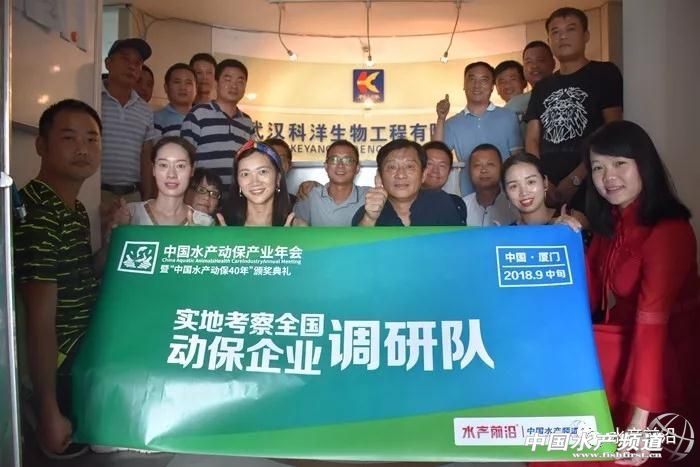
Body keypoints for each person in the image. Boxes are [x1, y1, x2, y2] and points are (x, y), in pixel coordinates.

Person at [14, 99, 104, 458]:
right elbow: (38, 320)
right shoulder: (37, 214)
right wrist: (48, 409)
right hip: (63, 365)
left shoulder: (74, 208)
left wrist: (111, 243)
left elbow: (80, 277)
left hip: (84, 347)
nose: (83, 148)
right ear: (42, 145)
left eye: (92, 139)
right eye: (69, 138)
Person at [524, 7, 623, 211]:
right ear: (549, 40)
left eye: (570, 29)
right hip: (548, 189)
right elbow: (532, 139)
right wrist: (541, 180)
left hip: (593, 182)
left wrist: (576, 178)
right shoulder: (542, 87)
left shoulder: (605, 73)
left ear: (586, 35)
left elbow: (613, 130)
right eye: (555, 32)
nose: (562, 36)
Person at [433, 61, 523, 196]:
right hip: (469, 194)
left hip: (505, 194)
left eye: (484, 80)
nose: (477, 85)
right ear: (464, 85)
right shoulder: (453, 123)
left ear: (492, 86)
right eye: (472, 79)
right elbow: (436, 153)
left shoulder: (508, 116)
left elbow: (517, 157)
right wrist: (441, 119)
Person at [100, 38, 159, 209]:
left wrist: (147, 200)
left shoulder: (145, 110)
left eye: (138, 63)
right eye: (125, 59)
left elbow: (146, 158)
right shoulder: (93, 98)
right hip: (96, 193)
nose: (132, 66)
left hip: (133, 196)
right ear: (108, 63)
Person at [181, 58, 255, 193]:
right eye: (228, 79)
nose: (234, 86)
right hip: (203, 195)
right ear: (216, 83)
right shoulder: (198, 114)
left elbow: (250, 160)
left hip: (237, 196)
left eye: (240, 81)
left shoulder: (247, 122)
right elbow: (184, 158)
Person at [352, 139, 461, 227]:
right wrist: (370, 219)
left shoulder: (441, 203)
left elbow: (456, 244)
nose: (400, 175)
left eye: (409, 167)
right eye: (392, 167)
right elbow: (357, 247)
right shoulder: (366, 213)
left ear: (423, 174)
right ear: (380, 176)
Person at [110, 136, 203, 226]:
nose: (171, 174)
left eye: (180, 166)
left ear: (192, 170)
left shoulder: (203, 222)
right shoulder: (130, 213)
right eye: (163, 165)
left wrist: (199, 235)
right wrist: (120, 231)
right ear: (153, 169)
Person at [222, 140, 303, 226]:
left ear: (278, 178)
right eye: (245, 174)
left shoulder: (297, 227)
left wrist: (291, 235)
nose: (255, 182)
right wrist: (222, 234)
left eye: (262, 171)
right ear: (238, 181)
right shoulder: (222, 226)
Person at [293, 140, 369, 226]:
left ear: (357, 168)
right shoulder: (309, 195)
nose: (340, 165)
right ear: (326, 166)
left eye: (348, 160)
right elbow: (295, 231)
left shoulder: (369, 196)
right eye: (334, 159)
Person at [501, 152, 586, 227]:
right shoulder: (508, 233)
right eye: (514, 186)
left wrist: (564, 230)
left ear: (545, 183)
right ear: (506, 193)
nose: (524, 192)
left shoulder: (573, 219)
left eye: (531, 182)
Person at [507, 41, 556, 137]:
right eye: (528, 62)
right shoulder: (514, 105)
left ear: (553, 63)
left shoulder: (566, 94)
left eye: (540, 60)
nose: (534, 66)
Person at [462, 144, 516, 227]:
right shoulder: (462, 206)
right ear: (469, 171)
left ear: (501, 168)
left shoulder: (515, 205)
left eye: (490, 164)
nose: (484, 170)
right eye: (477, 165)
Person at [422, 141, 466, 225]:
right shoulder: (404, 202)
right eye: (429, 164)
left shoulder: (456, 203)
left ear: (449, 171)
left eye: (442, 166)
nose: (435, 170)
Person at [153, 63, 197, 137]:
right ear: (166, 87)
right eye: (177, 82)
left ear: (196, 89)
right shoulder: (156, 119)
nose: (183, 87)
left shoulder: (202, 118)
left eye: (188, 83)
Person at [264, 137, 298, 206]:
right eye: (269, 158)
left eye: (280, 159)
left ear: (289, 165)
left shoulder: (298, 205)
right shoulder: (245, 202)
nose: (274, 164)